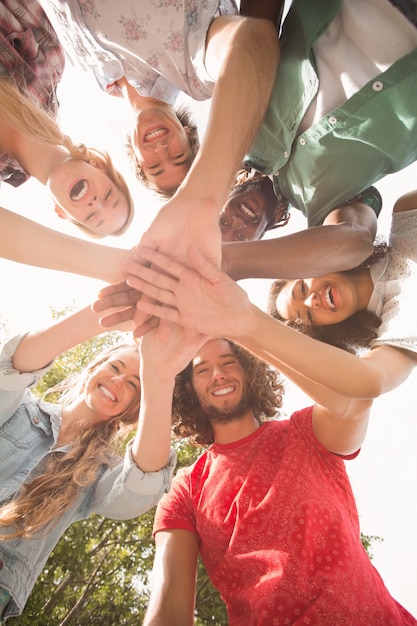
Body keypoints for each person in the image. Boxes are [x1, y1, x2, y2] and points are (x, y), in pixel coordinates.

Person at [89, 248, 417, 624]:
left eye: (229, 361)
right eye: (202, 370)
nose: (218, 374)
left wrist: (239, 324)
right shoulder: (185, 492)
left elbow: (354, 402)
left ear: (250, 372)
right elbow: (168, 610)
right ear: (188, 391)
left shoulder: (306, 432)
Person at [0, 298, 208, 621]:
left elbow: (142, 484)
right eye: (115, 368)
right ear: (95, 366)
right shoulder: (19, 409)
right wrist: (115, 313)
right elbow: (11, 365)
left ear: (131, 411)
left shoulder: (96, 475)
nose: (117, 381)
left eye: (133, 385)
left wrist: (160, 374)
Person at [0, 0, 134, 237]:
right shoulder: (48, 61)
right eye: (108, 196)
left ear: (60, 212)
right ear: (98, 166)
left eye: (92, 217)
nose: (95, 203)